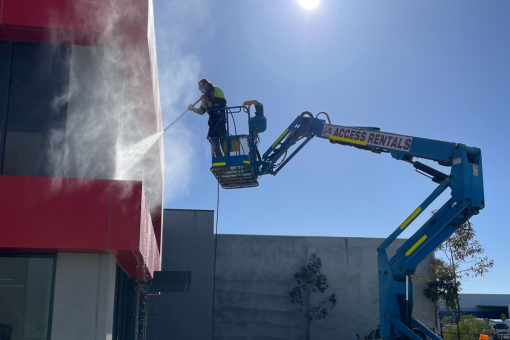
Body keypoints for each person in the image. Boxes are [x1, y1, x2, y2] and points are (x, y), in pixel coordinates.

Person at [188, 79, 227, 157]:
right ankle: (220, 161)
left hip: (220, 119)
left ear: (206, 84)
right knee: (214, 143)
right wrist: (193, 109)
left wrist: (211, 98)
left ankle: (227, 158)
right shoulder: (204, 99)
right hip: (212, 122)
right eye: (199, 88)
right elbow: (201, 111)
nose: (200, 89)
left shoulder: (217, 90)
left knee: (223, 140)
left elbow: (223, 102)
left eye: (201, 86)